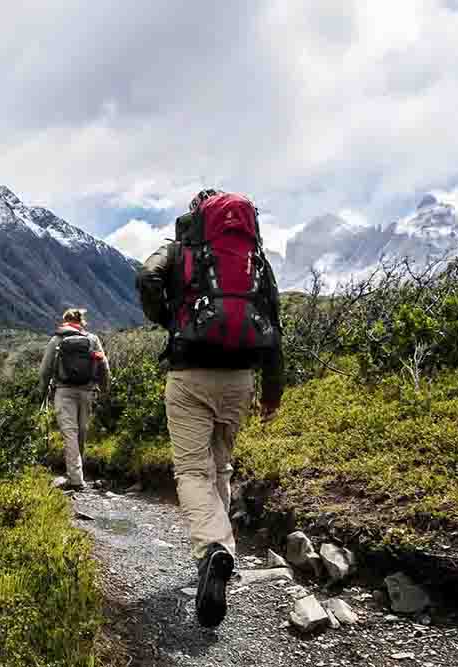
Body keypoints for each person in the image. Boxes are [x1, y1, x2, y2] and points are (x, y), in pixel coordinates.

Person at [135, 189, 284, 628]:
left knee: (192, 471)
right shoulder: (253, 257)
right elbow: (273, 321)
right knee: (220, 467)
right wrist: (272, 391)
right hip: (241, 378)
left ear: (196, 214)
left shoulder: (179, 249)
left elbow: (147, 278)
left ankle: (214, 549)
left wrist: (169, 319)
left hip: (190, 374)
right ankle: (219, 554)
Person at [38, 308, 110, 490]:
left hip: (64, 392)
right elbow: (104, 365)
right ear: (82, 321)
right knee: (81, 432)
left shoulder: (56, 339)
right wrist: (105, 389)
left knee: (69, 432)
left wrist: (42, 393)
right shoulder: (92, 339)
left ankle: (76, 478)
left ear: (65, 321)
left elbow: (45, 370)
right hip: (87, 392)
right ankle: (77, 473)